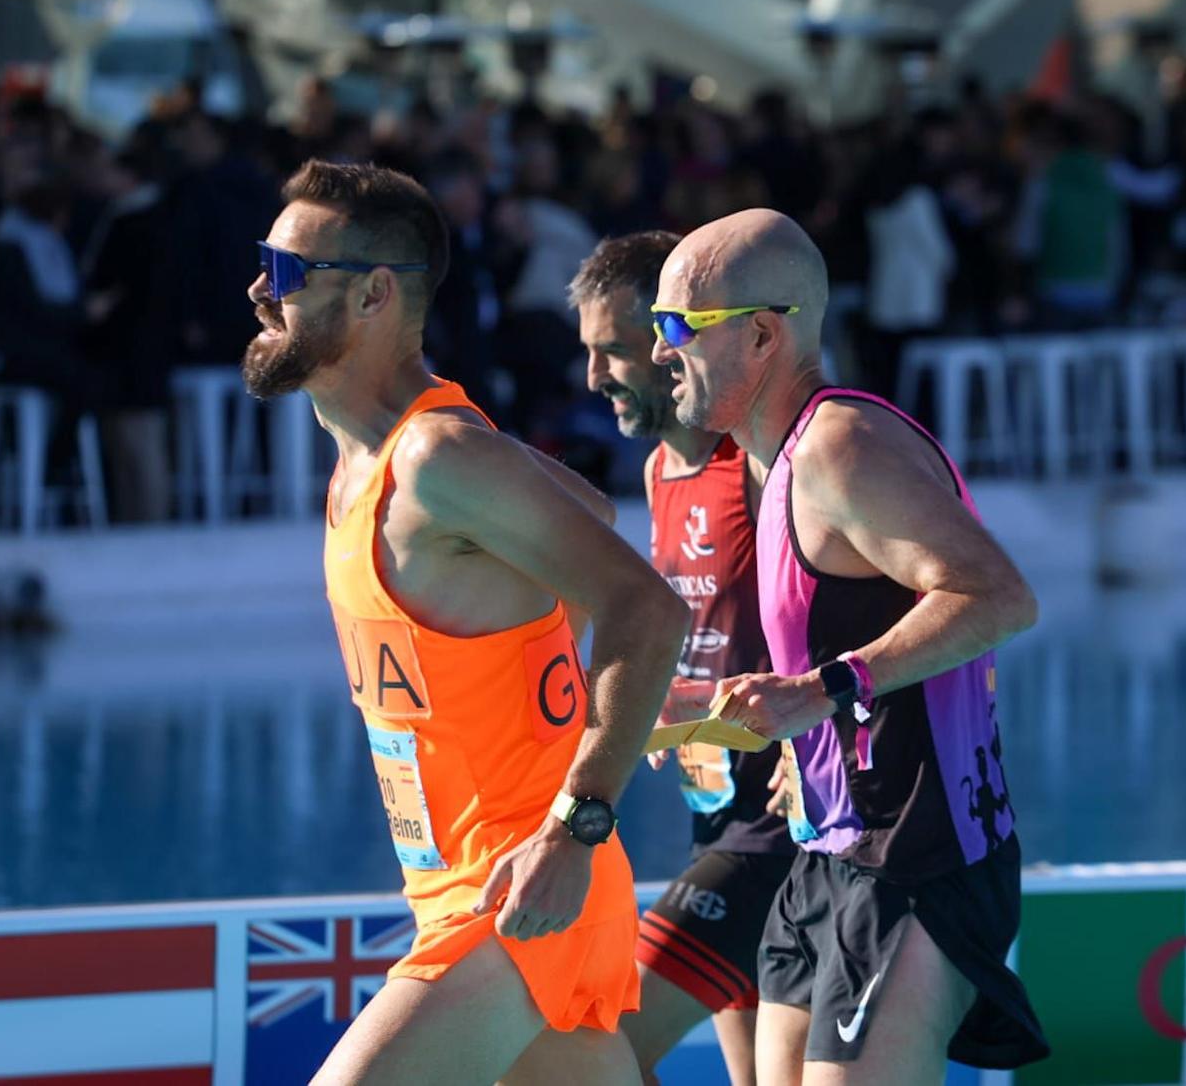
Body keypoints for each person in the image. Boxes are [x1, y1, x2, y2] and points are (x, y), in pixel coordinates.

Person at [242, 160, 688, 1085]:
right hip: (467, 894)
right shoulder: (393, 457)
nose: (258, 290)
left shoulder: (438, 459)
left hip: (529, 890)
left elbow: (644, 607)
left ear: (373, 294)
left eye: (286, 274)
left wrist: (576, 828)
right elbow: (592, 521)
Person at [652, 209, 1048, 1084]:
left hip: (921, 858)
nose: (657, 353)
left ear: (760, 334)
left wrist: (826, 689)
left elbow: (999, 596)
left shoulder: (841, 446)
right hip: (829, 846)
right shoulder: (775, 459)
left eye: (677, 326)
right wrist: (810, 741)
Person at [568, 232, 792, 1086]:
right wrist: (668, 711)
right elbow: (709, 630)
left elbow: (862, 616)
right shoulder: (663, 470)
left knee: (601, 1049)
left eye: (612, 351)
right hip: (714, 815)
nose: (594, 378)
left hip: (778, 835)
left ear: (673, 343)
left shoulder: (765, 469)